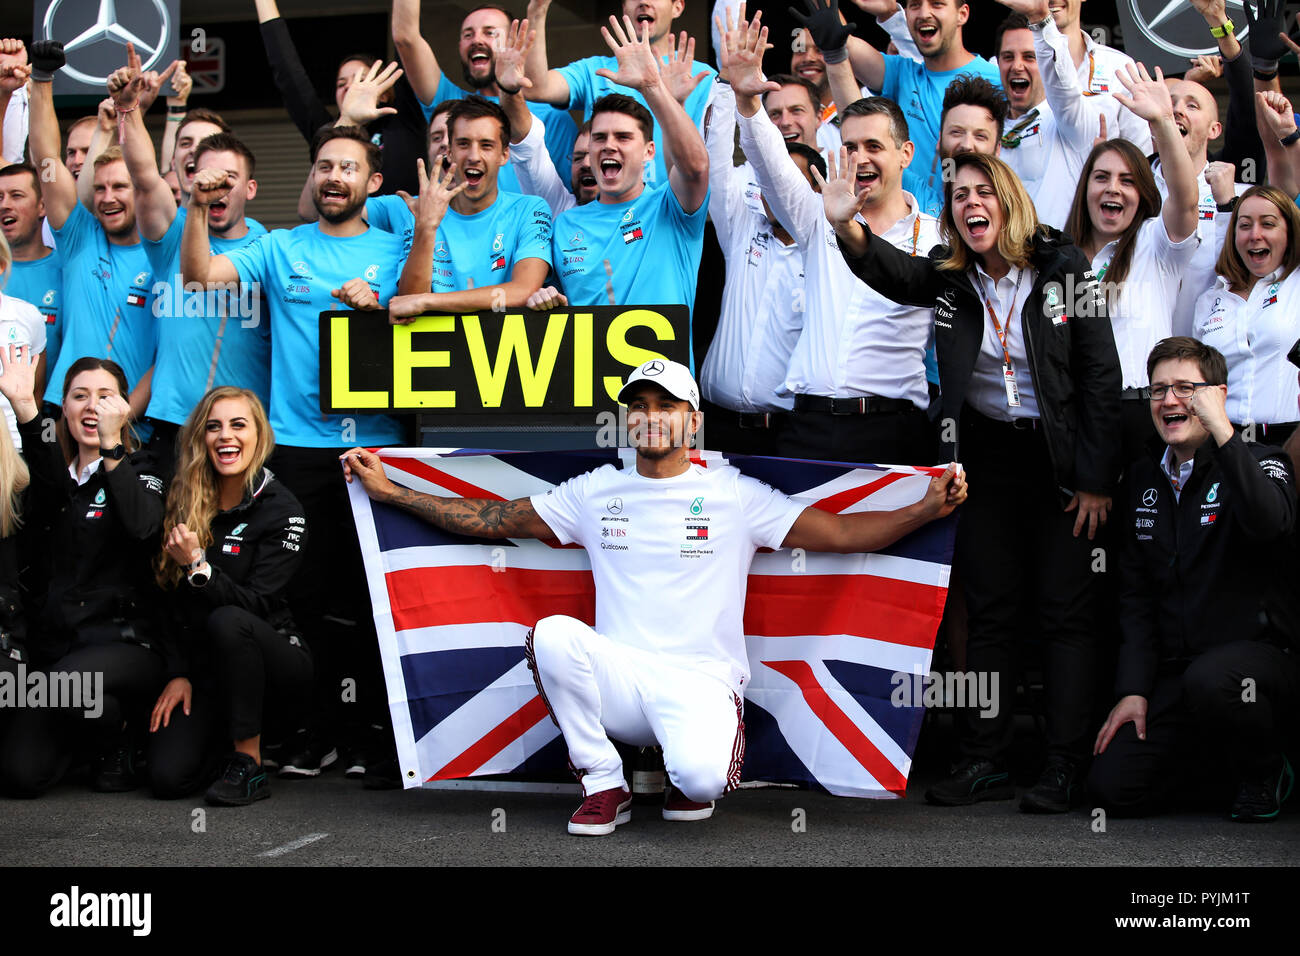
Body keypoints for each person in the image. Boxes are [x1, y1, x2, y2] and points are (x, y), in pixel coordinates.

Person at [342, 357, 967, 834]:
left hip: (702, 681)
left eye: (666, 404)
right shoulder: (596, 492)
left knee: (698, 784)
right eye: (638, 405)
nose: (650, 415)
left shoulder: (735, 495)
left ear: (693, 421)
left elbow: (840, 533)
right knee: (554, 636)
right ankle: (604, 780)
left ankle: (690, 761)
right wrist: (394, 494)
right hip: (622, 679)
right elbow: (498, 517)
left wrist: (925, 508)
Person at [825, 149, 1122, 812]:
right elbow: (897, 273)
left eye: (981, 191)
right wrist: (850, 228)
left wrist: (1097, 480)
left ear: (1007, 198)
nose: (969, 204)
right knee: (990, 611)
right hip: (988, 460)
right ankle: (984, 755)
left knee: (1065, 614)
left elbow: (1101, 374)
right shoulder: (951, 274)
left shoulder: (1064, 265)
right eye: (958, 196)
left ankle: (1065, 763)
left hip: (1061, 464)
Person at [180, 124, 406, 780]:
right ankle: (317, 731)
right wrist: (197, 204)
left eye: (349, 167)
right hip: (297, 454)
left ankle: (374, 734)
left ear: (373, 183)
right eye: (324, 165)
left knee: (371, 602)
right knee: (300, 604)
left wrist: (385, 305)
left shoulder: (399, 250)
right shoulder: (279, 248)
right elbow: (198, 274)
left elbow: (433, 316)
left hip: (378, 450)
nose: (334, 176)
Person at [1089, 337, 1299, 821]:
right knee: (1111, 788)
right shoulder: (1143, 477)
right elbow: (1136, 598)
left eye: (1186, 388)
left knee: (1215, 680)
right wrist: (1133, 690)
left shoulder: (1264, 459)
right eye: (1158, 390)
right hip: (1179, 673)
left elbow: (1271, 524)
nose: (1169, 401)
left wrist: (1225, 432)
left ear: (1216, 397)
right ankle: (1223, 769)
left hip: (1260, 666)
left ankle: (1268, 769)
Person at [727, 13, 940, 465]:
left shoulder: (938, 239)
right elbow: (773, 169)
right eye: (850, 147)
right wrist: (747, 104)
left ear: (906, 154)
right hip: (807, 429)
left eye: (873, 147)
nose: (859, 158)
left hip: (893, 432)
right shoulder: (816, 218)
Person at [0, 350, 166, 795]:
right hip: (56, 652)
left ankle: (122, 738)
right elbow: (50, 491)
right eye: (79, 396)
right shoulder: (52, 478)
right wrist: (27, 409)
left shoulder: (144, 468)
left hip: (124, 645)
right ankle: (86, 740)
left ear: (125, 409)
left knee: (60, 686)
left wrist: (113, 450)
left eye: (105, 397)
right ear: (65, 408)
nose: (92, 406)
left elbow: (144, 527)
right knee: (19, 776)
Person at [147, 387, 312, 806]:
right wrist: (178, 671)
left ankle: (250, 763)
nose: (226, 436)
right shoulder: (185, 496)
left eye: (239, 425)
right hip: (206, 669)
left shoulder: (282, 509)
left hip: (276, 661)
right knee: (167, 778)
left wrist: (198, 569)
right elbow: (167, 597)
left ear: (260, 436)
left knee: (228, 619)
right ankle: (220, 742)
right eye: (214, 426)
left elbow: (255, 604)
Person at [109, 48, 270, 471]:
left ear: (249, 189)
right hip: (172, 421)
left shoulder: (269, 246)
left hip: (243, 428)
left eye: (228, 179)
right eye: (205, 176)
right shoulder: (172, 231)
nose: (215, 186)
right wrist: (129, 110)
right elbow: (144, 176)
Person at [525, 22, 710, 368]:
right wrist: (544, 298)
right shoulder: (564, 224)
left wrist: (655, 88)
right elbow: (555, 301)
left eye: (624, 138)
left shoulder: (670, 207)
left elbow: (696, 168)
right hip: (586, 400)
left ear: (649, 152)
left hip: (661, 404)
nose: (609, 144)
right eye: (600, 137)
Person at [1064, 64, 1200, 465]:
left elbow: (1186, 196)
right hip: (1078, 418)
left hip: (1144, 416)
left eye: (1127, 180)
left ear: (1142, 194)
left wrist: (1161, 121)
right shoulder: (1061, 259)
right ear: (1085, 188)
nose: (1113, 188)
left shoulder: (1156, 242)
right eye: (1101, 177)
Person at [26, 42, 157, 412]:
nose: (108, 197)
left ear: (141, 188)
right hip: (64, 410)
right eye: (99, 188)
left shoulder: (165, 252)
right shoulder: (79, 235)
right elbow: (47, 157)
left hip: (131, 417)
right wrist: (42, 78)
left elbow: (167, 352)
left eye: (120, 187)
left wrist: (126, 415)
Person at [699, 71, 823, 455]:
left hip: (786, 437)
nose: (773, 190)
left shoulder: (829, 255)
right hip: (715, 427)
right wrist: (725, 85)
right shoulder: (741, 229)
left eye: (786, 183)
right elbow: (716, 164)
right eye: (767, 180)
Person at [383, 97, 552, 318]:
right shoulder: (421, 211)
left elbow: (523, 290)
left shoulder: (529, 209)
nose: (473, 156)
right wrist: (426, 227)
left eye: (486, 145)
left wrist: (428, 301)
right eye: (463, 144)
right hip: (437, 350)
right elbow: (408, 305)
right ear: (449, 152)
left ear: (504, 155)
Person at [522, 0, 717, 189]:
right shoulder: (595, 70)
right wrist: (537, 11)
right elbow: (536, 88)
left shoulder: (703, 78)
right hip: (604, 211)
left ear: (677, 7)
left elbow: (715, 165)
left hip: (670, 212)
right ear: (624, 8)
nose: (643, 2)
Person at [835, 0, 1003, 216]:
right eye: (915, 5)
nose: (924, 13)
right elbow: (837, 40)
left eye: (937, 4)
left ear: (962, 14)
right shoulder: (903, 73)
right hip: (910, 231)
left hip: (979, 226)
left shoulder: (999, 81)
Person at [393, 0, 578, 193]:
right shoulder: (453, 106)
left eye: (490, 32)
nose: (476, 40)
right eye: (468, 35)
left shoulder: (552, 117)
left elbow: (570, 197)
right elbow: (406, 38)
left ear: (515, 42)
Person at [255, 0, 426, 196]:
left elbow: (407, 39)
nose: (349, 87)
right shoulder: (328, 132)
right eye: (341, 83)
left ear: (385, 93)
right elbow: (288, 75)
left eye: (360, 80)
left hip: (405, 226)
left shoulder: (404, 118)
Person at [1192, 185, 1300, 445]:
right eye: (1245, 225)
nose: (1255, 235)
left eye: (1268, 224)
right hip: (1222, 439)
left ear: (1289, 232)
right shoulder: (1210, 298)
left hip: (1288, 439)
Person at [991, 8, 1111, 230]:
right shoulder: (987, 128)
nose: (1017, 66)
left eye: (1030, 57)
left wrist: (1040, 22)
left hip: (1060, 261)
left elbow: (1064, 90)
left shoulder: (1069, 122)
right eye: (1008, 57)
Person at [492, 22, 598, 216]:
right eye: (578, 157)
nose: (586, 164)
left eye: (600, 155)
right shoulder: (561, 211)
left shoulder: (657, 209)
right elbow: (528, 145)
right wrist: (509, 90)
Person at [0, 232, 48, 450]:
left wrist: (37, 446)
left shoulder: (28, 316)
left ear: (1, 265)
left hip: (19, 449)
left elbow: (37, 396)